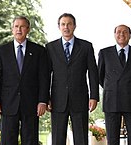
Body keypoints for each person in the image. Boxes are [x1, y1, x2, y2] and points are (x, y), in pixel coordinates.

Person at [0, 16, 49, 145]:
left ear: (28, 29)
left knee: (30, 139)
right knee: (7, 140)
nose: (19, 29)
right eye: (16, 26)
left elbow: (44, 78)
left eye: (22, 26)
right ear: (12, 29)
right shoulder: (1, 52)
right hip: (8, 104)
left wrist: (42, 101)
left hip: (31, 104)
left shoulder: (39, 51)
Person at [45, 13, 99, 145]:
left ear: (74, 26)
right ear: (59, 27)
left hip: (80, 99)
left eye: (69, 24)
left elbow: (93, 73)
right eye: (63, 24)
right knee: (58, 139)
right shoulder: (50, 48)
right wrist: (45, 97)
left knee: (81, 138)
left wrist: (94, 96)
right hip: (57, 100)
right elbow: (46, 75)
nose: (66, 27)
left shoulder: (86, 47)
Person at [98, 24, 131, 145]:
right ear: (114, 35)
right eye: (118, 32)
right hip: (111, 101)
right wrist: (114, 88)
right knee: (113, 139)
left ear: (130, 35)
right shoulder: (105, 53)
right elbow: (100, 77)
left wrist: (130, 88)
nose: (121, 34)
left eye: (125, 32)